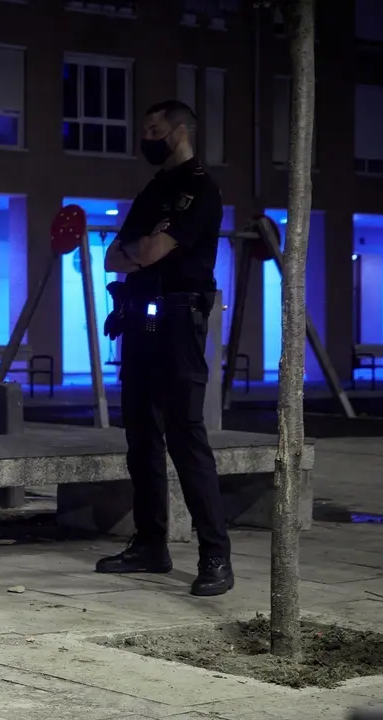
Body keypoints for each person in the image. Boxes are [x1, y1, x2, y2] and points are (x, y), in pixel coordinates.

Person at [97, 100, 233, 597]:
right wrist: (143, 247)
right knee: (141, 440)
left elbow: (149, 251)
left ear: (179, 131)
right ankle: (151, 544)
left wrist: (145, 247)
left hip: (179, 320)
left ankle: (215, 554)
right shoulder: (154, 189)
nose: (146, 137)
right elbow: (114, 255)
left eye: (153, 129)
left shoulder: (199, 188)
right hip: (138, 320)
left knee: (185, 438)